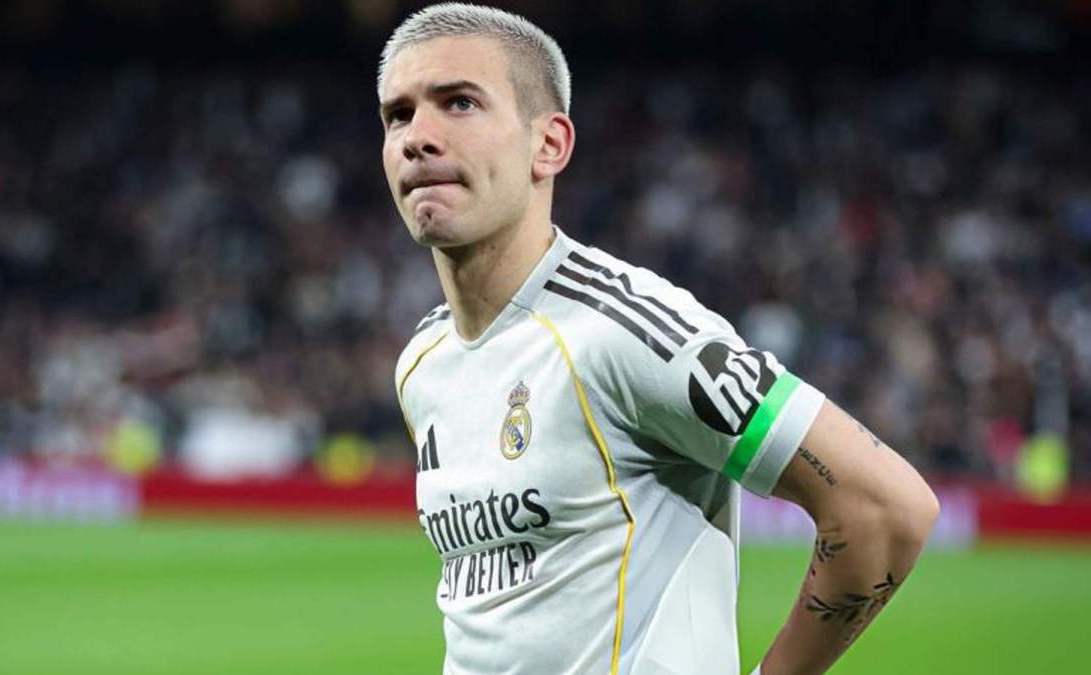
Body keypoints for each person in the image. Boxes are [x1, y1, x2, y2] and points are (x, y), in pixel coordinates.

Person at [380, 4, 939, 674]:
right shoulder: (423, 363)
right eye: (399, 115)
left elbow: (884, 508)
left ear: (548, 144)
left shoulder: (625, 330)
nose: (418, 136)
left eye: (460, 103)